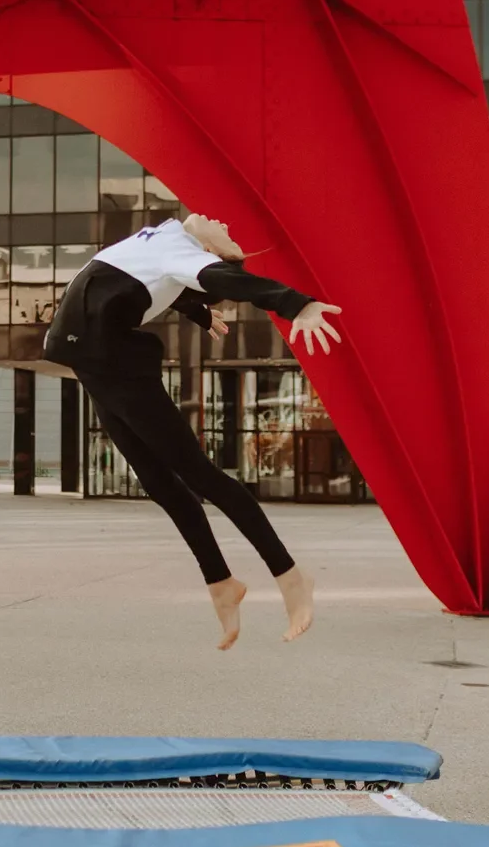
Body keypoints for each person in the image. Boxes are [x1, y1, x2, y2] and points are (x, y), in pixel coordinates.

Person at [43, 214, 341, 652]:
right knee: (161, 485)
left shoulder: (182, 251)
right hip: (95, 365)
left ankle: (292, 578)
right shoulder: (163, 238)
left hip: (116, 365)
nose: (223, 221)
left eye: (229, 234)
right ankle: (221, 583)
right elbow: (151, 276)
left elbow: (225, 279)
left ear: (212, 253)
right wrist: (199, 311)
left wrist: (297, 303)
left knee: (200, 476)